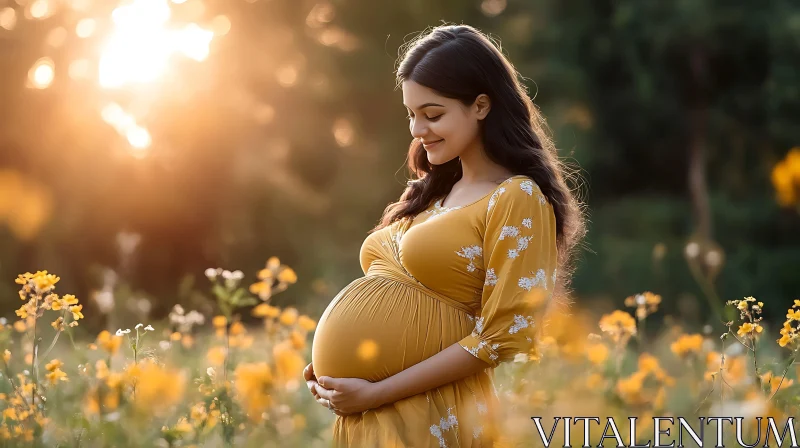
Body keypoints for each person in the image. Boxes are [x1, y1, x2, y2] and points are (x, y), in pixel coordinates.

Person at [303, 24, 586, 447]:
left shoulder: (517, 197)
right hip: (367, 416)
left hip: (431, 412)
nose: (418, 130)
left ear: (481, 106)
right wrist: (332, 375)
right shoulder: (432, 191)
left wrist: (376, 390)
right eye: (412, 115)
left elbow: (503, 336)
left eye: (433, 115)